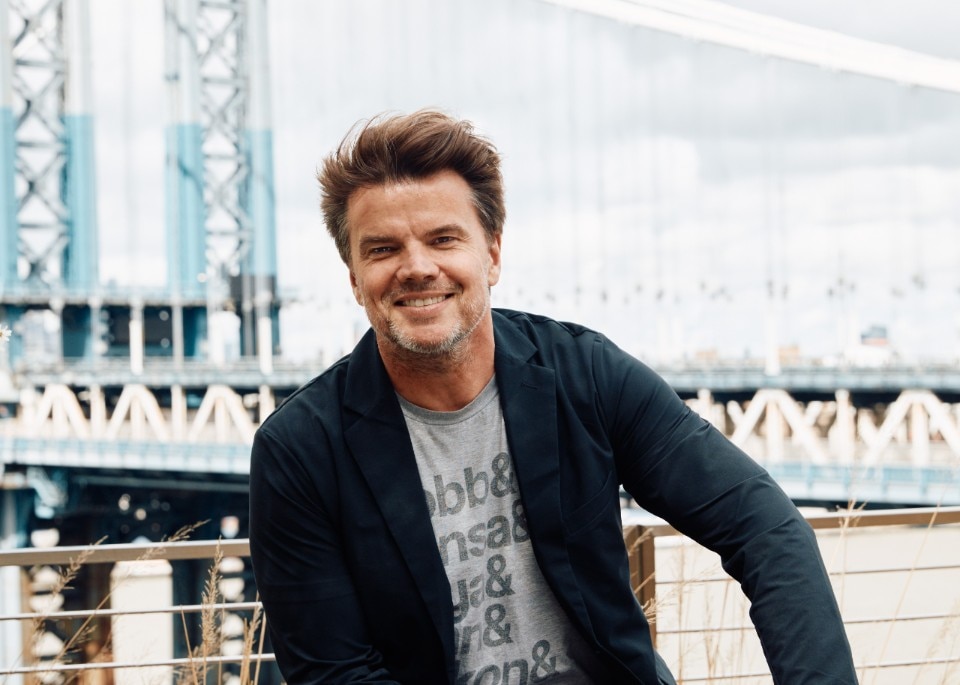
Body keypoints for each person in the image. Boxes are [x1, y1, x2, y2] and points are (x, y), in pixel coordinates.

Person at [248, 109, 858, 684]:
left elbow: (764, 528)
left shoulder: (584, 374)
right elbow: (336, 674)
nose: (416, 267)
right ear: (355, 279)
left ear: (492, 254)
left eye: (443, 239)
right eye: (383, 249)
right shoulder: (299, 450)